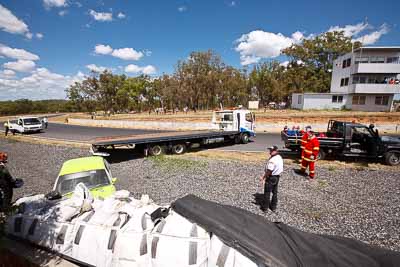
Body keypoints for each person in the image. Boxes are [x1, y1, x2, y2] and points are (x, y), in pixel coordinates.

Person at [260, 145, 283, 212]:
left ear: (276, 151)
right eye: (270, 150)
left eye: (272, 150)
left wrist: (263, 177)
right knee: (275, 192)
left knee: (267, 192)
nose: (270, 152)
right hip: (277, 177)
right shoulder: (279, 157)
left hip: (271, 177)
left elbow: (269, 170)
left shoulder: (272, 160)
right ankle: (273, 207)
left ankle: (265, 208)